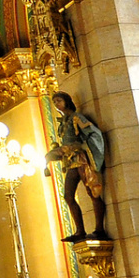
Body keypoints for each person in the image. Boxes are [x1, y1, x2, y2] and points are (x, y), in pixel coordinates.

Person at [47, 92, 109, 241]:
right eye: (54, 102)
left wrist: (78, 146)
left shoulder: (77, 118)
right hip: (71, 161)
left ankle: (99, 229)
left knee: (92, 192)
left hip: (81, 159)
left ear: (67, 101)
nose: (57, 104)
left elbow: (94, 134)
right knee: (68, 195)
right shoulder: (63, 123)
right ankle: (79, 231)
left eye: (59, 101)